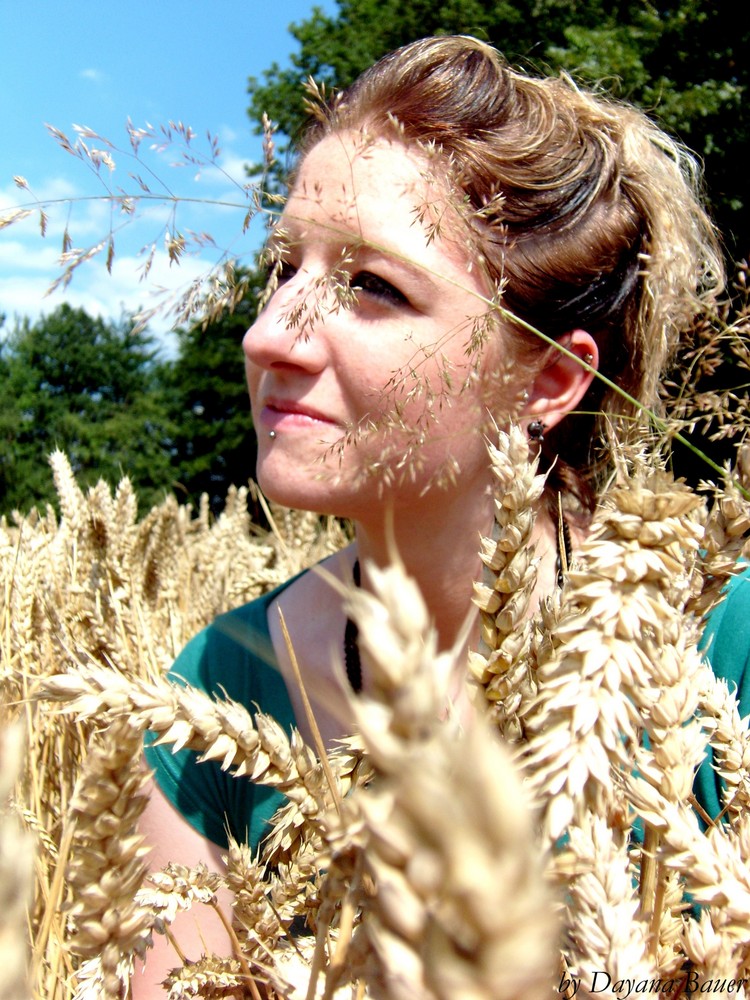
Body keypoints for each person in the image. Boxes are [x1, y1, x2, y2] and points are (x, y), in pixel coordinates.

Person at [136, 35, 724, 996]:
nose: (266, 333)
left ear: (550, 377)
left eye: (371, 285)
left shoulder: (720, 654)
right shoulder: (213, 691)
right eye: (286, 265)